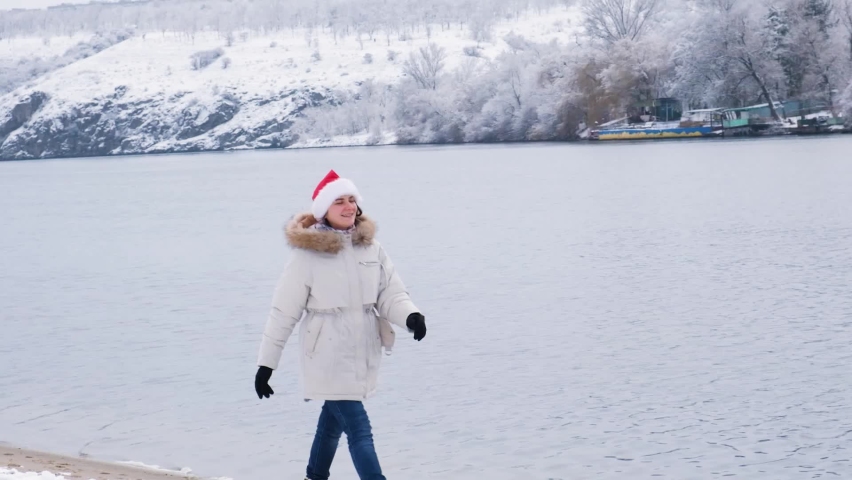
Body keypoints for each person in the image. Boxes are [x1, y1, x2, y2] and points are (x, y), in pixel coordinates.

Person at [254, 169, 427, 480]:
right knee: (359, 428)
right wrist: (267, 365)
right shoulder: (306, 256)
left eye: (352, 200)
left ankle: (314, 477)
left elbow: (391, 292)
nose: (349, 207)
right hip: (326, 355)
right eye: (339, 202)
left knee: (332, 423)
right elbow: (283, 313)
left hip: (362, 350)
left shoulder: (371, 248)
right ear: (323, 210)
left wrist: (410, 317)